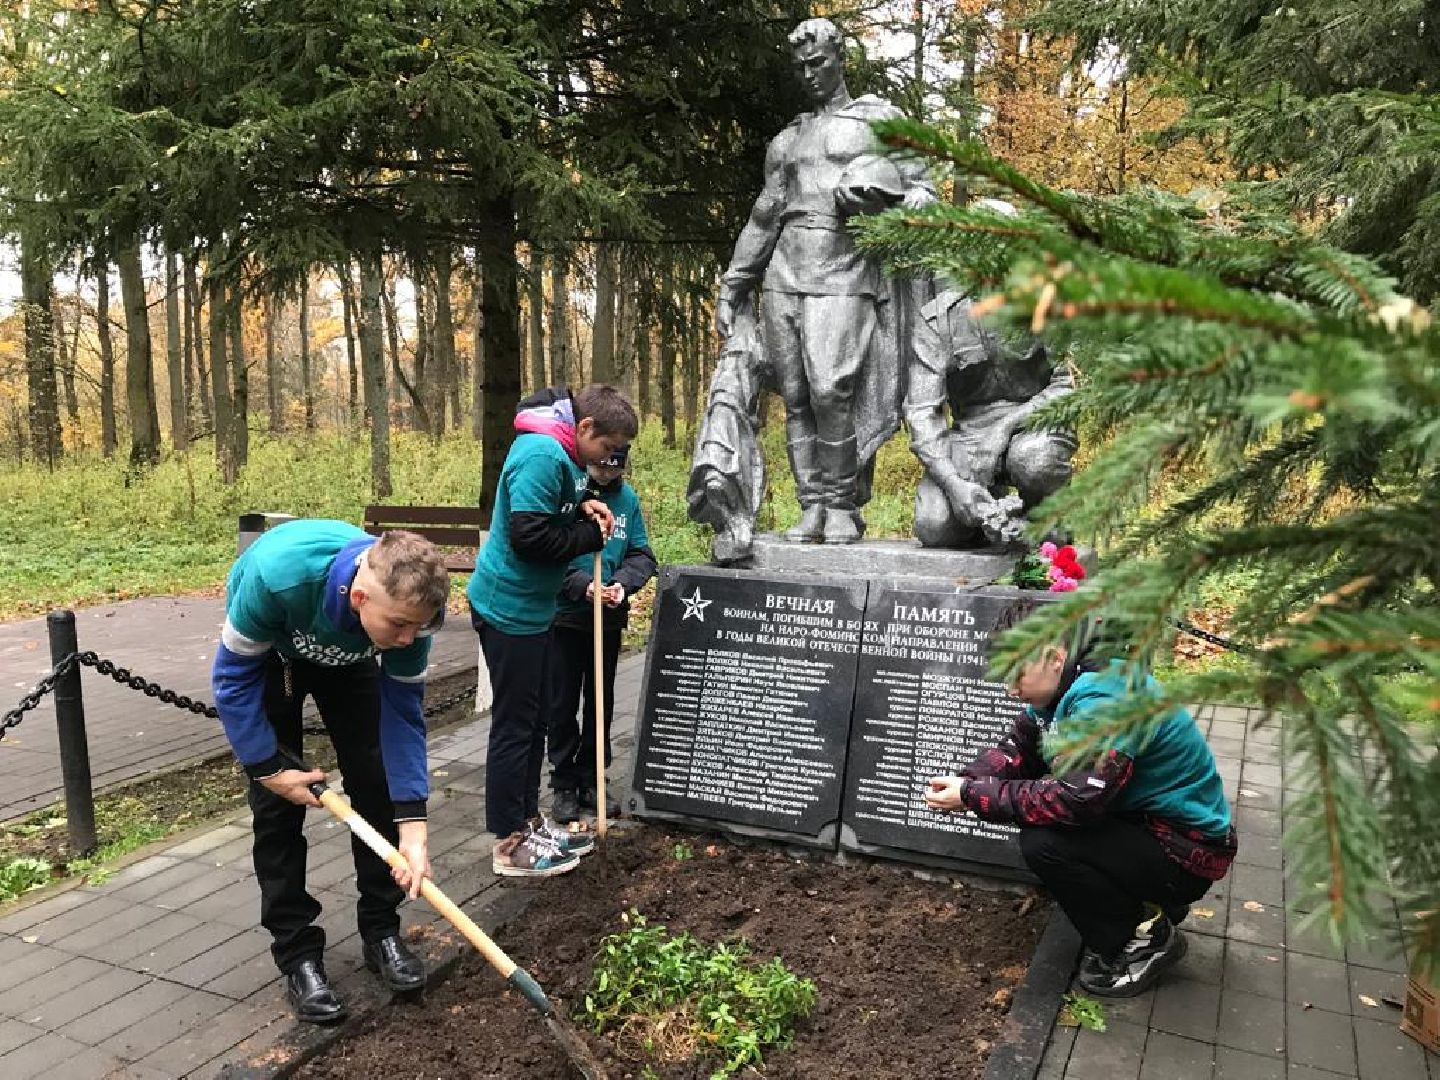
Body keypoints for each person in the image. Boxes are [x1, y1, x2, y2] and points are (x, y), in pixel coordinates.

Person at [923, 603, 1237, 997]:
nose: (1009, 689)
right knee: (1045, 823)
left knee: (1047, 843)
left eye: (1016, 674)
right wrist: (970, 780)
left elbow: (1078, 800)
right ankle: (1154, 902)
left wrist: (973, 795)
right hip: (1149, 828)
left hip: (1186, 852)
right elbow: (1020, 747)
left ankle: (1142, 941)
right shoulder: (1068, 685)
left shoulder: (1107, 700)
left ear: (1055, 657)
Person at [211, 520, 449, 1024]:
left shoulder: (412, 620)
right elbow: (231, 680)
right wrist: (266, 768)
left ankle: (381, 930)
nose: (410, 639)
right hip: (275, 653)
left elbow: (403, 715)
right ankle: (297, 954)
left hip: (352, 655)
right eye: (400, 625)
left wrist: (414, 826)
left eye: (418, 627)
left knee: (376, 781)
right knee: (276, 810)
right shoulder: (278, 579)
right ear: (360, 596)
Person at [711, 17, 935, 546]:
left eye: (819, 63)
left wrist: (885, 198)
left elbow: (927, 192)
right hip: (784, 271)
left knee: (832, 388)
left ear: (841, 60)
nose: (811, 74)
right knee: (795, 395)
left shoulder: (880, 122)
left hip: (846, 266)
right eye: (802, 67)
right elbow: (763, 218)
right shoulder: (787, 140)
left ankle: (842, 505)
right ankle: (811, 504)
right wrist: (733, 285)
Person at [469, 383, 638, 878]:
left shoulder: (562, 453)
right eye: (606, 449)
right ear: (584, 428)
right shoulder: (542, 451)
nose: (607, 459)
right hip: (508, 610)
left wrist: (584, 502)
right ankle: (508, 841)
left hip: (534, 612)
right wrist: (590, 534)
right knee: (515, 727)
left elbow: (552, 506)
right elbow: (529, 537)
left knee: (537, 720)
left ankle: (529, 822)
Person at [907, 282, 1076, 548]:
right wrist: (953, 483)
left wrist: (1005, 427)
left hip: (1037, 423)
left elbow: (1068, 384)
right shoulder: (938, 318)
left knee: (1034, 460)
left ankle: (1046, 516)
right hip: (969, 434)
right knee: (934, 526)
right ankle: (991, 517)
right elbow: (922, 412)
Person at [548, 445, 657, 823]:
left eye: (615, 470)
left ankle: (593, 776)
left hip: (606, 619)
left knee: (600, 701)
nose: (607, 477)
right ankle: (563, 782)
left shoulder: (627, 499)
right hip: (564, 617)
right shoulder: (572, 495)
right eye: (600, 468)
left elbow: (642, 555)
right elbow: (546, 553)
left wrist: (621, 586)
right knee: (561, 703)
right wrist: (582, 585)